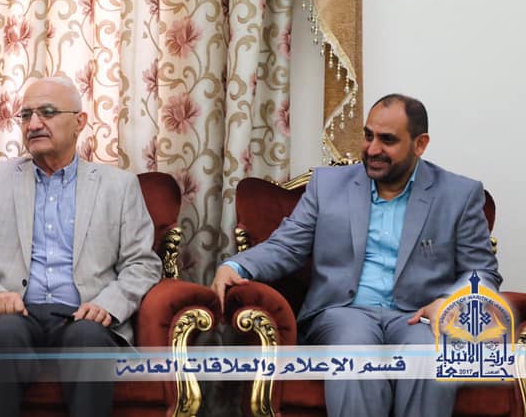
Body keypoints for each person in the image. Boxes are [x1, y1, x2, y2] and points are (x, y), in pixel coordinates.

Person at [211, 93, 500, 417]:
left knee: (429, 352)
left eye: (387, 140)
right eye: (368, 135)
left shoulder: (458, 194)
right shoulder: (328, 185)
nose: (372, 149)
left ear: (420, 144)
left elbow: (483, 272)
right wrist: (237, 265)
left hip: (417, 316)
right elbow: (287, 245)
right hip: (343, 312)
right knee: (355, 351)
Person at [0, 76, 162, 417]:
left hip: (85, 315)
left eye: (47, 112)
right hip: (15, 314)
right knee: (4, 334)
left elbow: (142, 263)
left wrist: (108, 305)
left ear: (79, 122)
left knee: (88, 339)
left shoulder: (119, 186)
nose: (34, 124)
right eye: (26, 115)